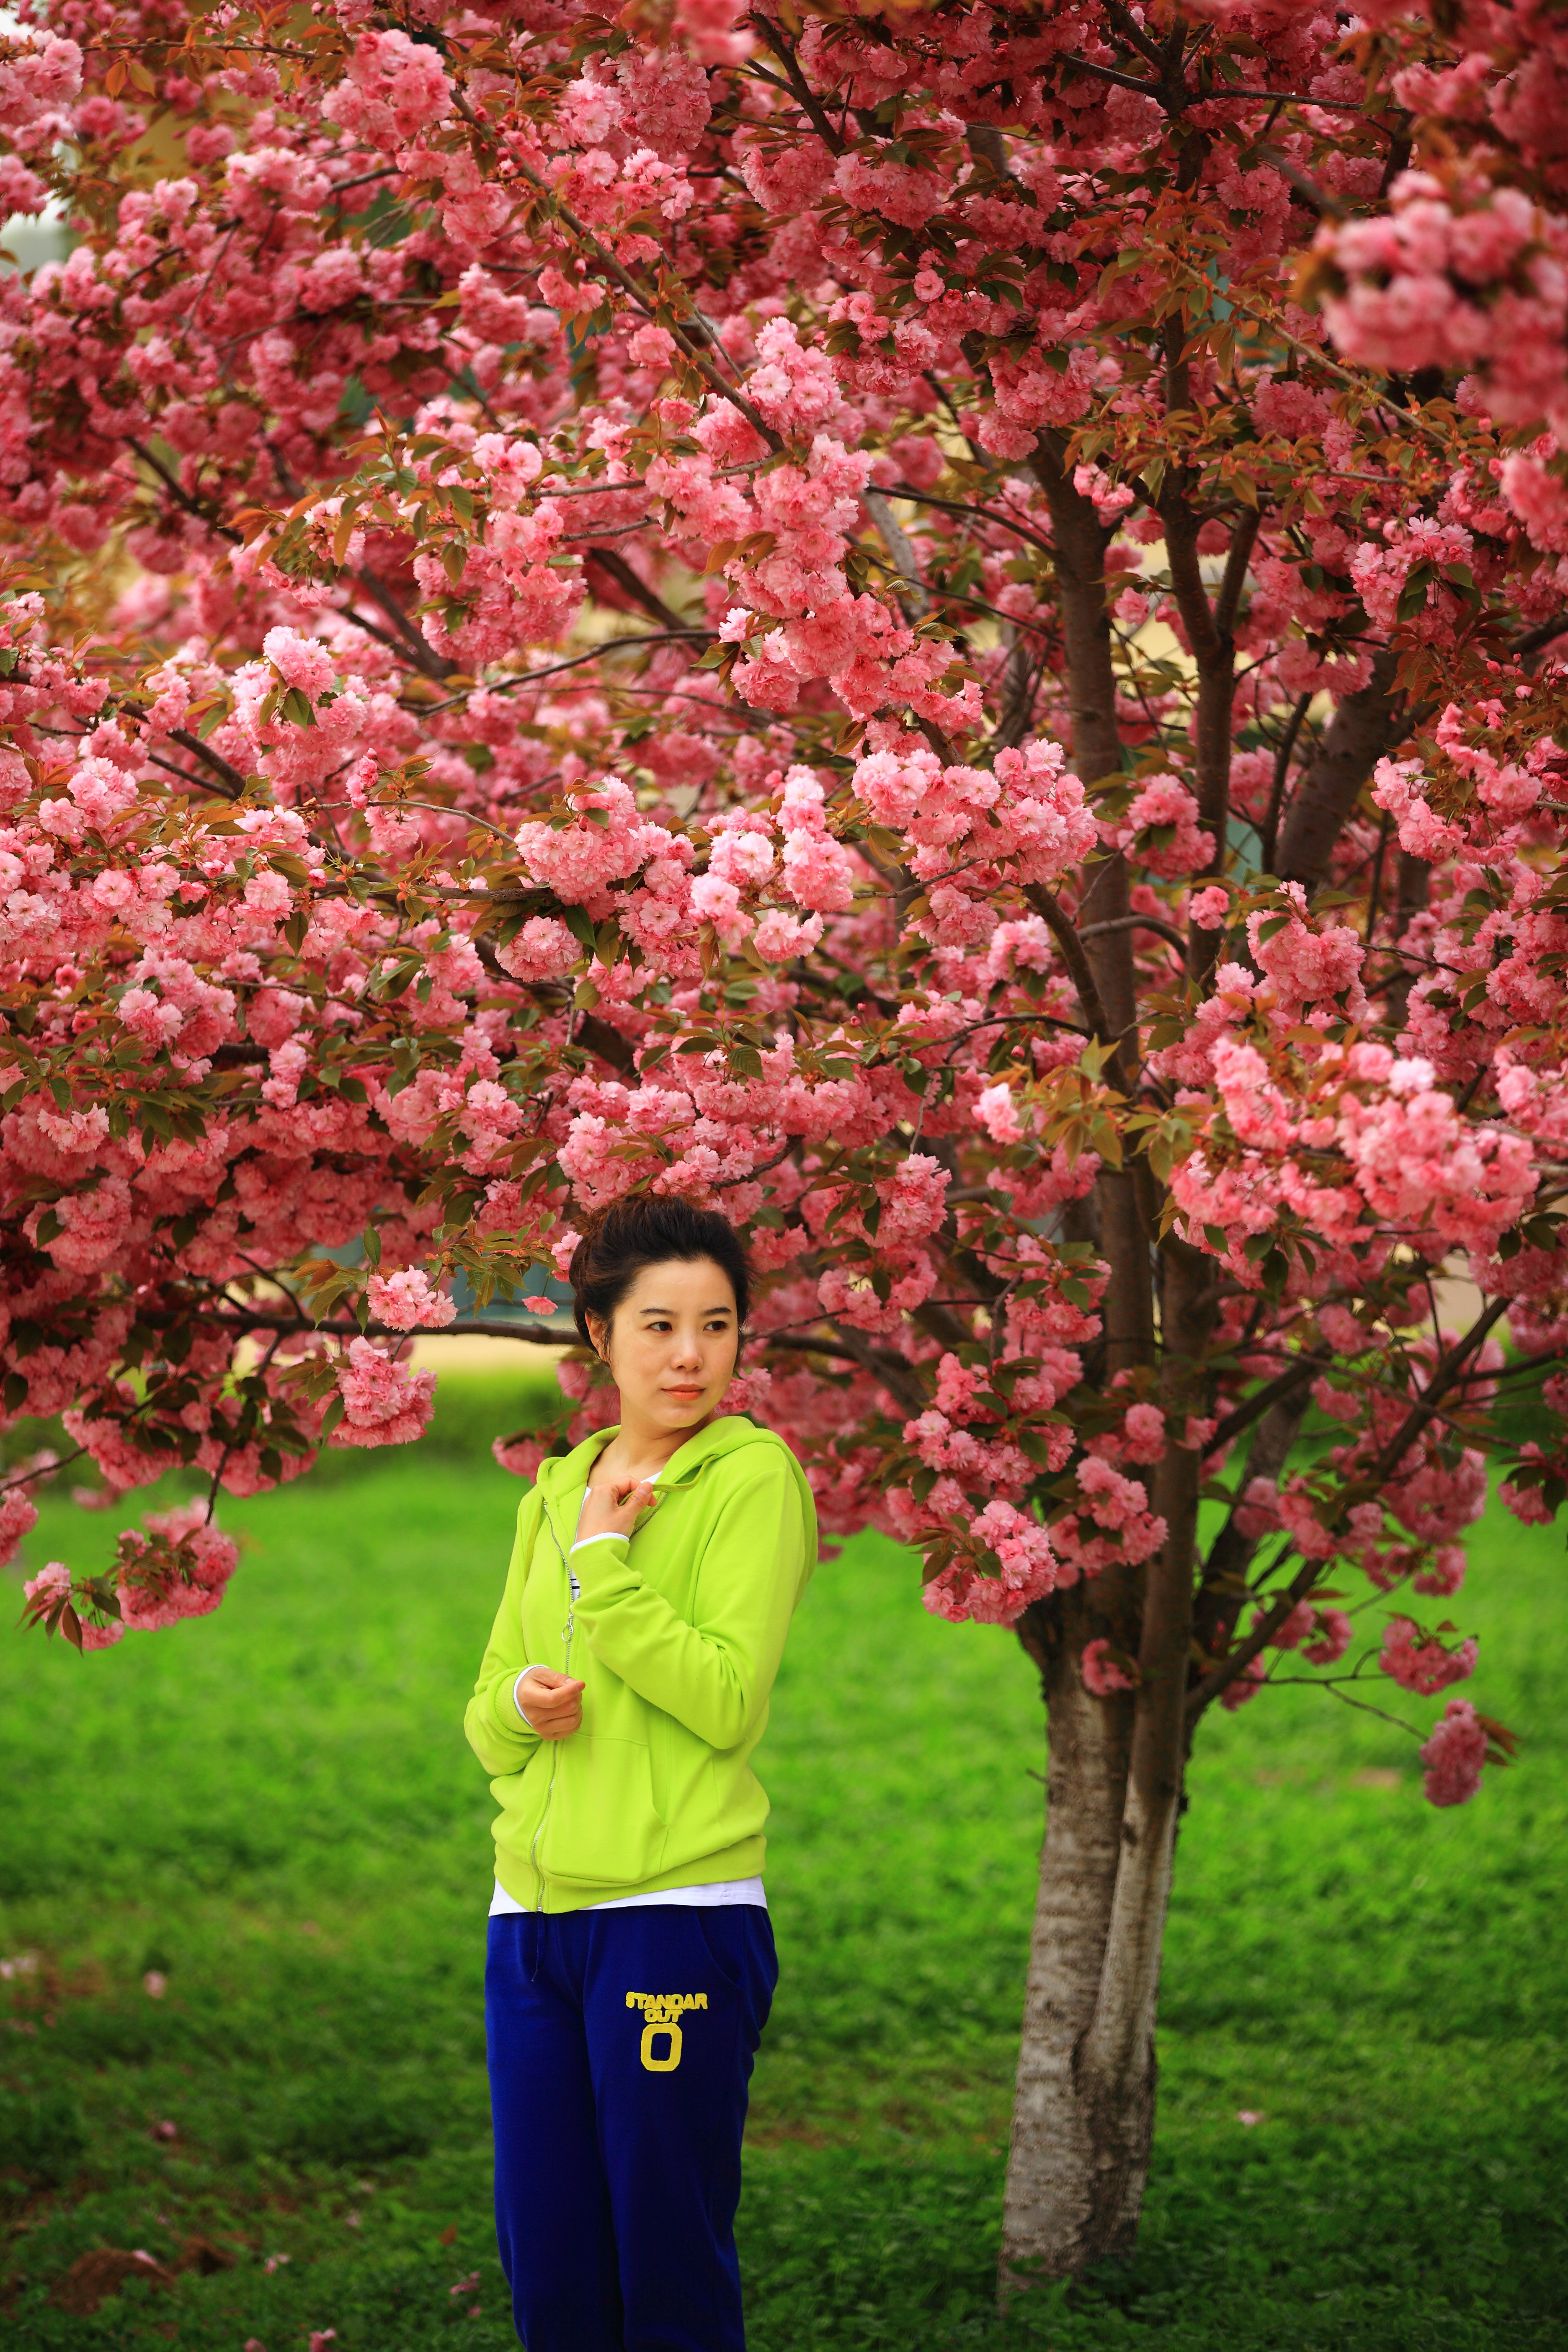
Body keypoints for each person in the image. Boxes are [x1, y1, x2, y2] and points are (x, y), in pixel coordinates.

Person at [465, 1194, 817, 2352]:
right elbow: (486, 1714)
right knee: (552, 2262)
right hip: (530, 1921)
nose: (690, 1353)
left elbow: (724, 1698)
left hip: (675, 1910)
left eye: (717, 1325)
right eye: (659, 1324)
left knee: (665, 2260)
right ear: (598, 1332)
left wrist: (607, 1571)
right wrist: (522, 1704)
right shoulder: (556, 1490)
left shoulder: (750, 1478)